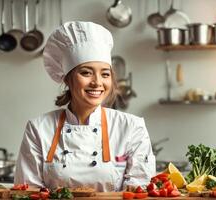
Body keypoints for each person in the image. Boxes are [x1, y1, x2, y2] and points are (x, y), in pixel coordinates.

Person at [14, 21, 156, 192]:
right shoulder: (38, 129)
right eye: (86, 72)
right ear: (67, 78)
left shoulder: (131, 127)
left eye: (105, 74)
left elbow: (138, 191)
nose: (97, 82)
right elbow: (27, 192)